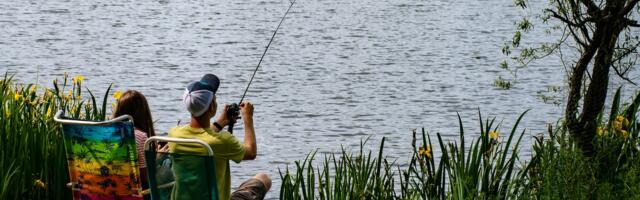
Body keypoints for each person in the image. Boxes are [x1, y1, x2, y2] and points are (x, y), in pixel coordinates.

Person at [168, 74, 271, 200]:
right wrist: (248, 118)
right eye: (215, 99)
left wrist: (220, 122)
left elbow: (202, 136)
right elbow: (251, 152)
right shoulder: (222, 141)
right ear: (212, 106)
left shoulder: (174, 135)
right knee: (263, 178)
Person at [112, 90, 157, 192]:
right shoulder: (140, 137)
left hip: (109, 192)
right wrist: (158, 159)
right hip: (134, 194)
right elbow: (146, 178)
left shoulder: (108, 135)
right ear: (143, 113)